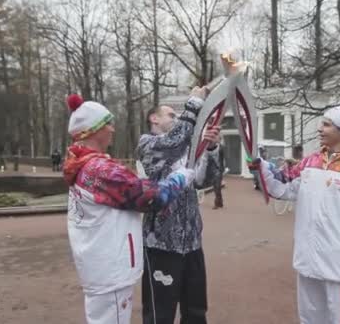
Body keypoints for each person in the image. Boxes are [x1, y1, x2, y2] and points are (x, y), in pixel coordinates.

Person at [62, 94, 195, 324]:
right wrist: (180, 178)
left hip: (99, 266)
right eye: (107, 124)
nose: (113, 129)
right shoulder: (99, 169)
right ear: (93, 130)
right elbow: (150, 197)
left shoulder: (83, 164)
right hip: (109, 269)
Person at [250, 105, 340, 323]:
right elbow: (281, 185)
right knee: (310, 320)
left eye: (326, 124)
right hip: (308, 262)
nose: (320, 129)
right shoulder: (310, 162)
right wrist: (260, 167)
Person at [137, 87, 222, 324]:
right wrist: (194, 103)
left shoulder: (184, 149)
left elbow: (204, 181)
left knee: (196, 312)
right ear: (154, 118)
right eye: (171, 115)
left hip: (192, 244)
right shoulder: (148, 144)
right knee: (159, 314)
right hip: (162, 246)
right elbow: (174, 142)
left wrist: (212, 147)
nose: (176, 119)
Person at [212, 141, 225, 209]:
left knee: (217, 186)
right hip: (212, 169)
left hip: (219, 169)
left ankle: (216, 203)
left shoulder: (221, 147)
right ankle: (220, 202)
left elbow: (222, 158)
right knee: (216, 187)